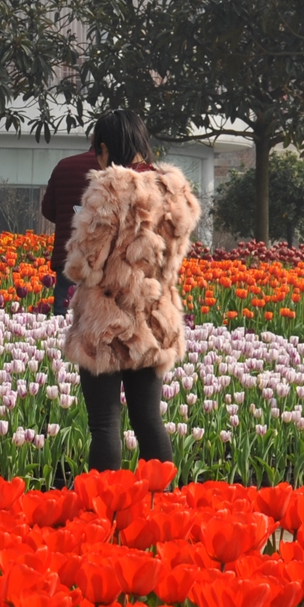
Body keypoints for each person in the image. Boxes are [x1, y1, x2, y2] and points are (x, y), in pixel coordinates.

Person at [63, 110, 201, 472]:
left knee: (105, 424)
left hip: (107, 321)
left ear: (106, 148)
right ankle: (162, 506)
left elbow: (85, 263)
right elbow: (172, 261)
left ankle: (104, 512)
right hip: (155, 318)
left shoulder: (110, 187)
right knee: (148, 420)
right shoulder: (175, 191)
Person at [40, 137, 104, 315]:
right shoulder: (116, 171)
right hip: (102, 262)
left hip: (67, 257)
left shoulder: (63, 166)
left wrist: (68, 220)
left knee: (63, 324)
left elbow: (47, 210)